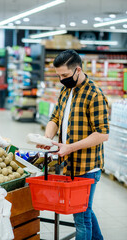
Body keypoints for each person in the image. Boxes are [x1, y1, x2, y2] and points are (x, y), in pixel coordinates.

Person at [37, 49, 109, 240]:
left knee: (81, 217)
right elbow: (55, 118)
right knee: (85, 209)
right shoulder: (65, 89)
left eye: (65, 75)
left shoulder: (94, 95)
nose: (62, 79)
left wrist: (70, 147)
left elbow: (102, 134)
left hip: (87, 165)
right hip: (69, 163)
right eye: (59, 75)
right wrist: (47, 138)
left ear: (78, 70)